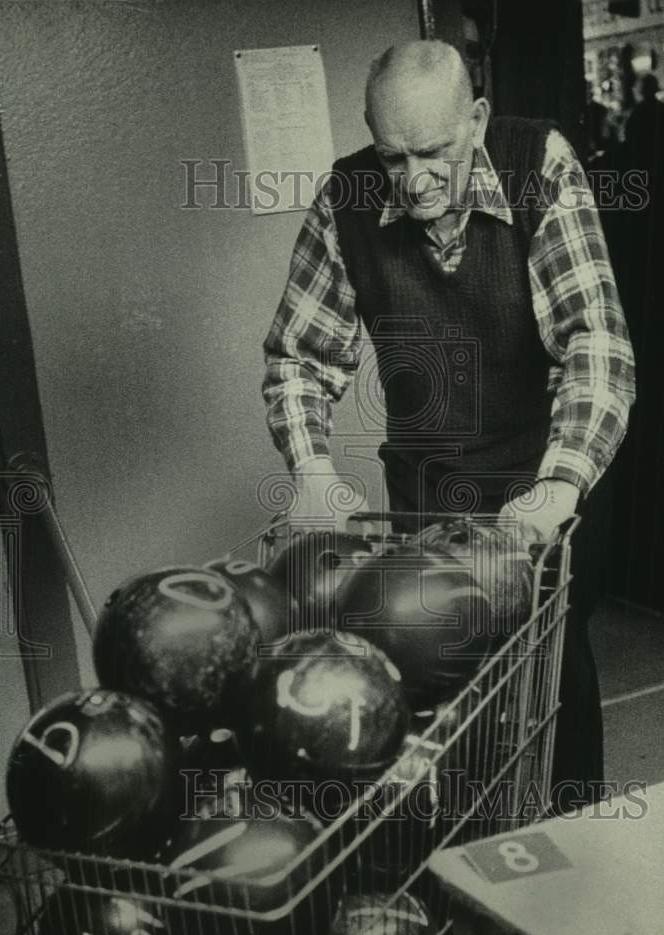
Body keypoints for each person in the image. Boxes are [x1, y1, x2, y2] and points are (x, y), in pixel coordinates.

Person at [262, 41, 636, 810]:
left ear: (475, 119)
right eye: (393, 156)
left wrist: (558, 486)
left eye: (434, 152)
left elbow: (591, 342)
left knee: (549, 677)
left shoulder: (541, 164)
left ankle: (569, 841)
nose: (415, 179)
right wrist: (313, 471)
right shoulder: (348, 196)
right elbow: (299, 356)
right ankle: (458, 866)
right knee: (436, 688)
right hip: (427, 490)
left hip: (540, 481)